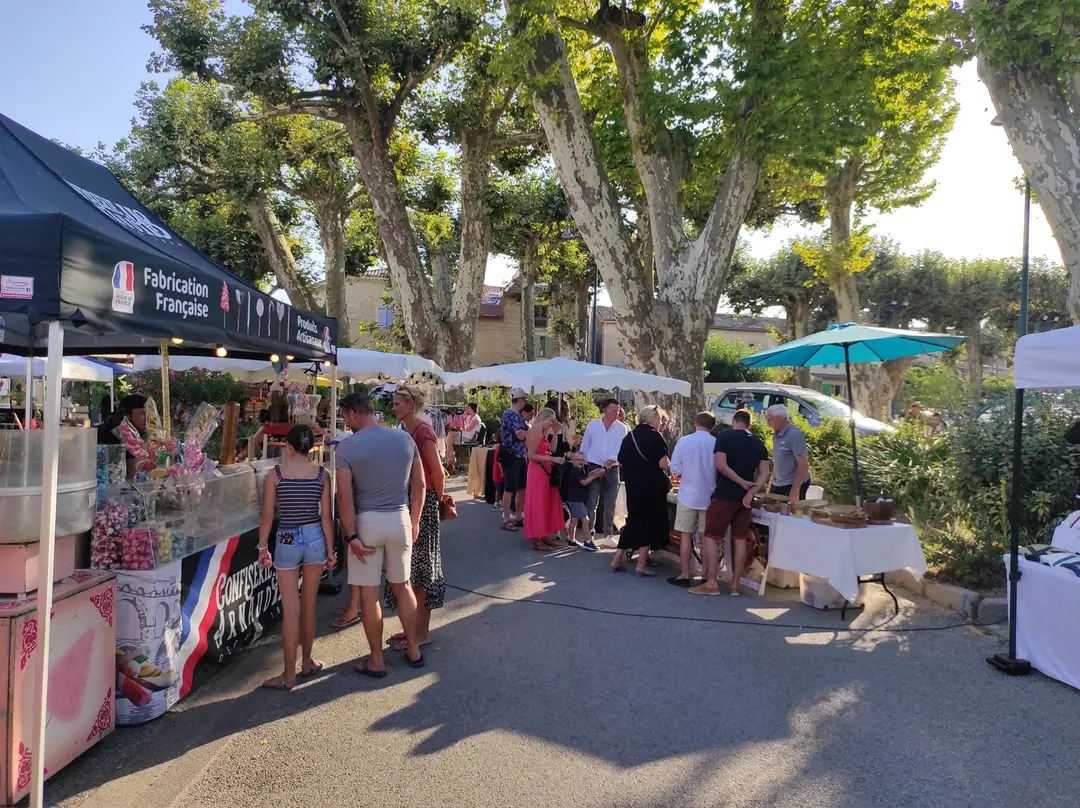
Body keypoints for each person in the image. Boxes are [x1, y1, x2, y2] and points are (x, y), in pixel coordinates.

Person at [334, 392, 426, 676]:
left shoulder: (347, 448)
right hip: (399, 518)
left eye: (344, 416)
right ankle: (414, 648)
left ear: (351, 414)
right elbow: (420, 484)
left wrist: (350, 536)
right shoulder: (404, 439)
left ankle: (376, 660)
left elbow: (344, 497)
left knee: (369, 596)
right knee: (403, 586)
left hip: (367, 523)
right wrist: (415, 521)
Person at [257, 425, 336, 691]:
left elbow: (268, 515)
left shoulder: (275, 475)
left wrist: (261, 547)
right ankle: (307, 662)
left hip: (286, 538)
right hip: (315, 536)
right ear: (313, 447)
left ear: (288, 448)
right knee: (309, 604)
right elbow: (327, 516)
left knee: (290, 610)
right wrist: (332, 550)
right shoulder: (323, 474)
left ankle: (288, 675)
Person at [386, 384, 446, 650]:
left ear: (410, 405)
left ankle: (422, 632)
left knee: (421, 571)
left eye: (397, 403)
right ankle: (413, 627)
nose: (393, 406)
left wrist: (439, 500)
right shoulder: (407, 430)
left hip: (423, 502)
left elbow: (438, 472)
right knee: (410, 570)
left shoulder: (422, 430)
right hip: (411, 501)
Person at [693, 410, 770, 596]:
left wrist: (740, 482)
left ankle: (712, 582)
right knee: (740, 538)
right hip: (745, 499)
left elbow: (721, 465)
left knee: (711, 536)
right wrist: (750, 490)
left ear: (734, 421)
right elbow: (764, 473)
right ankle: (735, 584)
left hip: (725, 494)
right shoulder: (758, 442)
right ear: (749, 425)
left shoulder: (724, 437)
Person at [611, 405, 671, 575]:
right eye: (659, 418)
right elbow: (663, 464)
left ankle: (617, 559)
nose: (661, 422)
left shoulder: (630, 436)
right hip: (651, 486)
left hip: (632, 485)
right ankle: (641, 564)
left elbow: (620, 460)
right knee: (649, 523)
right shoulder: (655, 436)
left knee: (633, 521)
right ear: (653, 418)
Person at [667, 411, 718, 587]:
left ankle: (684, 574)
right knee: (706, 537)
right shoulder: (716, 443)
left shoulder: (684, 441)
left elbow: (674, 468)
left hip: (687, 493)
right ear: (712, 426)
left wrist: (685, 475)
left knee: (685, 535)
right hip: (710, 495)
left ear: (696, 423)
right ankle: (706, 575)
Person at [580, 399, 630, 546]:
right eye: (614, 410)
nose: (617, 413)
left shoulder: (622, 428)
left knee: (610, 503)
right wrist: (582, 463)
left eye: (618, 410)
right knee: (592, 502)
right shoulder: (593, 426)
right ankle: (590, 533)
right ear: (605, 410)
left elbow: (619, 450)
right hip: (593, 466)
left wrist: (606, 466)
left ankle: (608, 533)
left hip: (612, 468)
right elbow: (585, 446)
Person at [523, 407, 567, 550]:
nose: (552, 423)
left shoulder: (544, 430)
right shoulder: (535, 429)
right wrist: (553, 459)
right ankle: (537, 538)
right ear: (544, 417)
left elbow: (552, 449)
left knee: (546, 503)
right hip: (537, 471)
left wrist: (555, 433)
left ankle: (544, 535)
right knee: (538, 503)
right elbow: (531, 455)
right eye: (551, 421)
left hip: (546, 470)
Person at [764, 404, 810, 502]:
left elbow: (803, 465)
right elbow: (777, 461)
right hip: (778, 483)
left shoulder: (795, 435)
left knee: (790, 514)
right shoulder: (776, 435)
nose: (768, 423)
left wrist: (795, 489)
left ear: (780, 418)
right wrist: (770, 484)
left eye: (769, 419)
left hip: (792, 484)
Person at [499, 389, 531, 530]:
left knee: (522, 487)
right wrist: (528, 432)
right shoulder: (509, 415)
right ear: (520, 400)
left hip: (521, 455)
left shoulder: (517, 415)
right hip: (512, 454)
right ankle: (506, 519)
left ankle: (519, 515)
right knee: (510, 488)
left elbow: (525, 432)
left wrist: (527, 432)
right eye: (525, 400)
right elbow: (520, 435)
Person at [566, 452, 603, 549]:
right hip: (576, 499)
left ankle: (571, 540)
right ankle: (588, 541)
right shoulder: (576, 471)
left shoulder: (579, 470)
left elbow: (583, 479)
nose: (581, 462)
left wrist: (590, 474)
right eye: (578, 460)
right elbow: (584, 482)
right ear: (573, 461)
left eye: (582, 460)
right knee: (585, 520)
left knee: (574, 520)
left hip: (574, 499)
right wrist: (594, 476)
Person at [444, 402, 481, 473]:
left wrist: (459, 428)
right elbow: (464, 427)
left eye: (468, 408)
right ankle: (451, 458)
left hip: (469, 437)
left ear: (471, 409)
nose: (466, 409)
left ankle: (449, 456)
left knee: (450, 436)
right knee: (449, 437)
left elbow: (468, 429)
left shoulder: (476, 419)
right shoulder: (469, 417)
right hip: (465, 434)